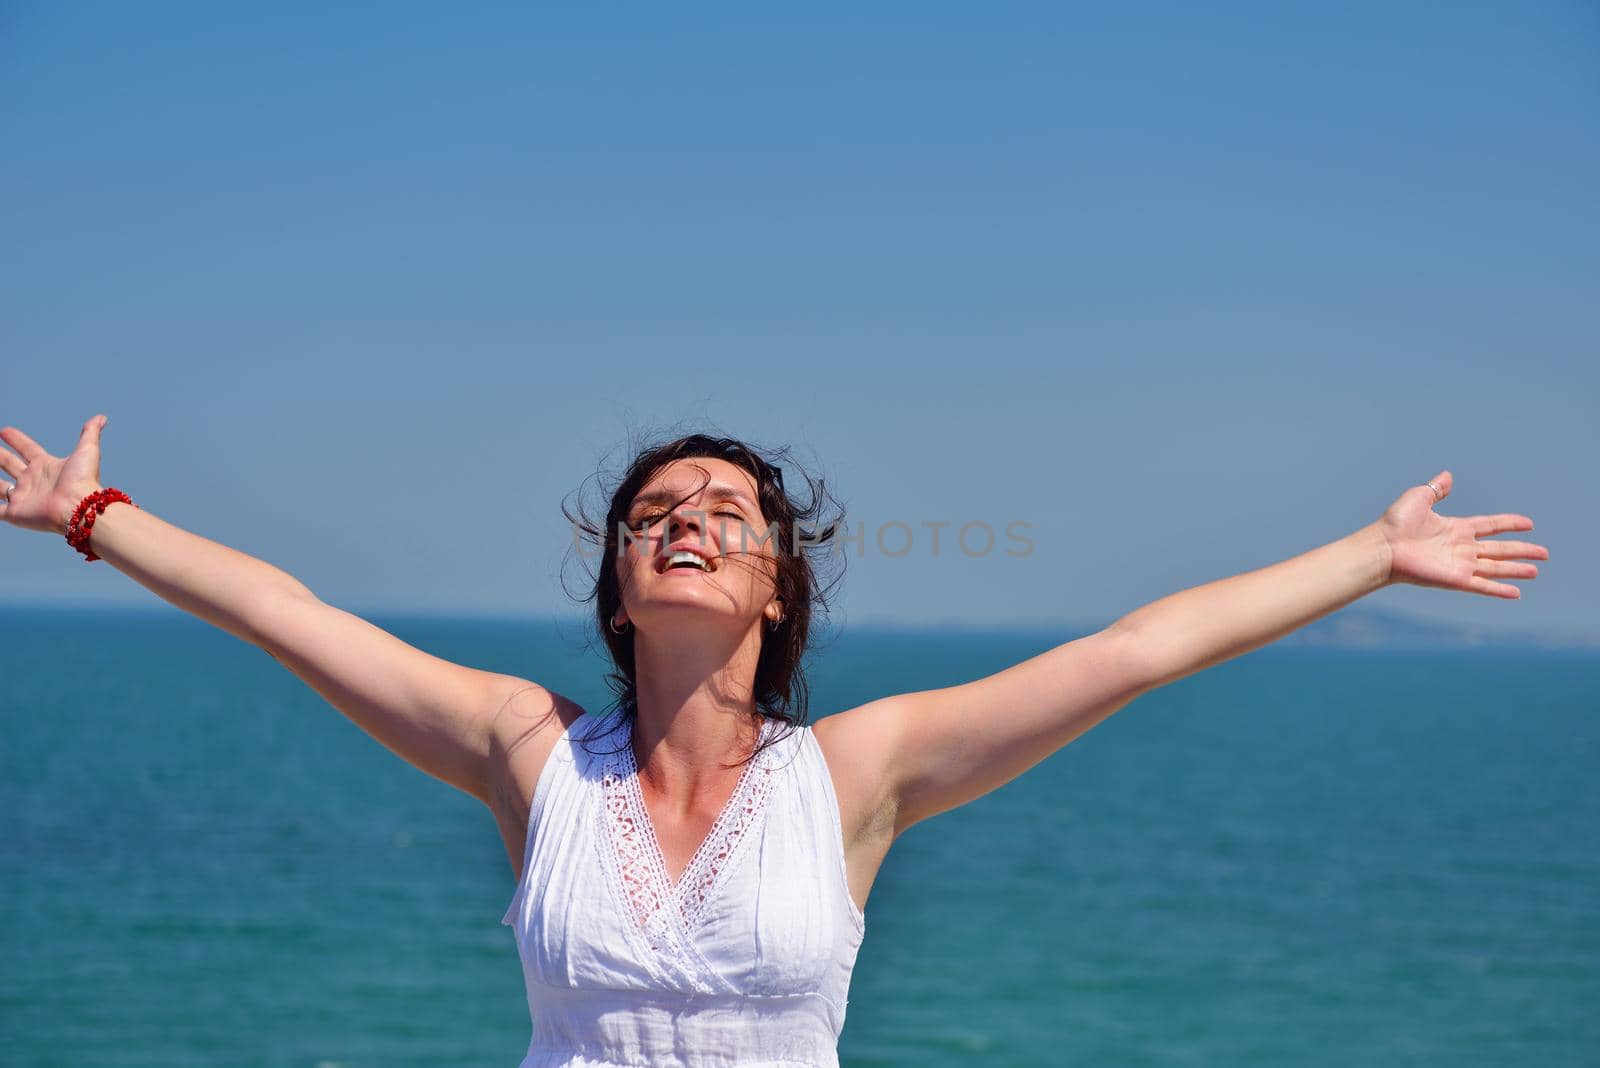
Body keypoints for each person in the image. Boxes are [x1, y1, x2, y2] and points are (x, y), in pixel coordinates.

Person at [0, 415, 1550, 1067]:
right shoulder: (521, 747)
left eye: (722, 516)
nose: (683, 527)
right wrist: (90, 514)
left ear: (773, 586)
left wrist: (1372, 554)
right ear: (618, 576)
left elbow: (1135, 648)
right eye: (652, 516)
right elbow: (288, 614)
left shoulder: (857, 773)